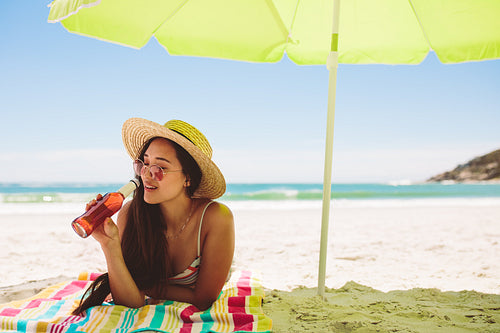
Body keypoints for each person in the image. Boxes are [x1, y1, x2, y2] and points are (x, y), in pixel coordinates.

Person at [73, 118, 235, 314]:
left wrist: (142, 285)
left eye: (161, 168)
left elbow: (203, 299)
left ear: (188, 178)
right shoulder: (131, 213)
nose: (146, 175)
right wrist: (109, 244)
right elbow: (130, 303)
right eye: (145, 163)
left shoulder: (215, 217)